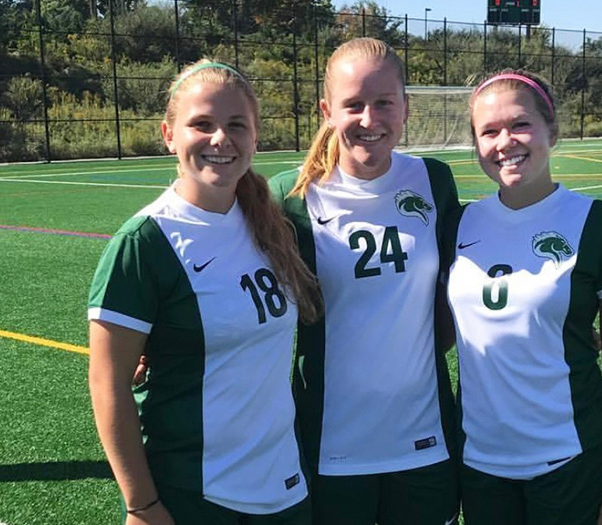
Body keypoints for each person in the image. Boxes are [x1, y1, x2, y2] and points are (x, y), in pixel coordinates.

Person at [88, 59, 320, 525]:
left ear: (255, 136)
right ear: (169, 135)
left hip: (284, 487)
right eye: (202, 124)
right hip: (193, 494)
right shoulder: (145, 243)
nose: (220, 139)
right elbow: (108, 384)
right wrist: (141, 504)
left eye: (236, 125)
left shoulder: (273, 225)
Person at [268, 38, 460, 525]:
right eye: (353, 104)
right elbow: (229, 272)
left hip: (425, 437)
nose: (369, 119)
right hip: (330, 442)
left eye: (384, 103)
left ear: (406, 107)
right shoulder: (291, 197)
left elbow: (471, 270)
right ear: (327, 111)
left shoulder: (434, 181)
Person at [443, 70, 602, 525]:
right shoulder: (456, 225)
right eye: (489, 131)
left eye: (520, 124)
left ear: (552, 131)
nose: (505, 142)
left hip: (571, 462)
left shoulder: (601, 223)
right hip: (478, 463)